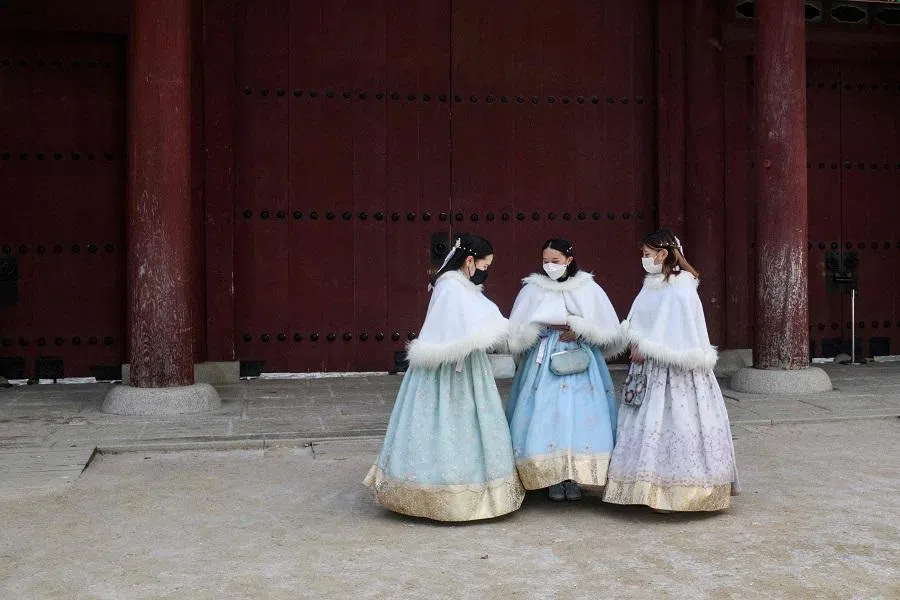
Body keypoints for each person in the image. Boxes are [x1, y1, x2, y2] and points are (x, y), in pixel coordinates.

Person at [363, 234, 525, 521]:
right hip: (447, 369)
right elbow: (456, 328)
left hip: (464, 366)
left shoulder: (460, 286)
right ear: (470, 260)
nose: (486, 271)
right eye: (485, 265)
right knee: (447, 423)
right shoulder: (451, 287)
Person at [603, 228, 739, 512]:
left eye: (647, 254)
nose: (644, 259)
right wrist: (635, 341)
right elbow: (640, 319)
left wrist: (648, 347)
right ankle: (645, 488)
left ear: (663, 254)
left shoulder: (681, 287)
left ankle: (683, 492)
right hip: (648, 370)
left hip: (677, 373)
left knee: (681, 423)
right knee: (648, 425)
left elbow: (682, 329)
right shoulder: (651, 284)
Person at [505, 239, 623, 502]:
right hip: (544, 354)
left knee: (581, 414)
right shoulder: (533, 288)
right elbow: (519, 326)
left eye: (555, 261)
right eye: (545, 261)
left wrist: (580, 328)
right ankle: (551, 476)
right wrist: (536, 330)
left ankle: (574, 476)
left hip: (580, 355)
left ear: (569, 260)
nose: (550, 266)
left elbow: (604, 324)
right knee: (546, 411)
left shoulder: (587, 287)